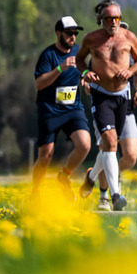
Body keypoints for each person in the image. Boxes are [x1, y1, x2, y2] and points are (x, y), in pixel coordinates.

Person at [74, 0, 137, 211]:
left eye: (117, 18)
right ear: (100, 20)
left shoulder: (129, 37)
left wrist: (130, 72)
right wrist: (86, 73)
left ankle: (92, 176)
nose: (113, 22)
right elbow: (79, 60)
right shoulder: (91, 39)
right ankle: (115, 195)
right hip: (100, 95)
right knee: (111, 142)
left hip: (122, 96)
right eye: (109, 18)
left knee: (108, 147)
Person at [32, 16, 92, 200]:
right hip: (50, 109)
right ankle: (35, 193)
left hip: (73, 108)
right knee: (46, 156)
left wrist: (85, 80)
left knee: (85, 144)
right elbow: (40, 84)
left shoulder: (79, 52)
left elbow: (85, 71)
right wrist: (60, 68)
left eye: (75, 33)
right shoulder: (48, 55)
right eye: (69, 33)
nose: (73, 37)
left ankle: (64, 175)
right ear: (58, 33)